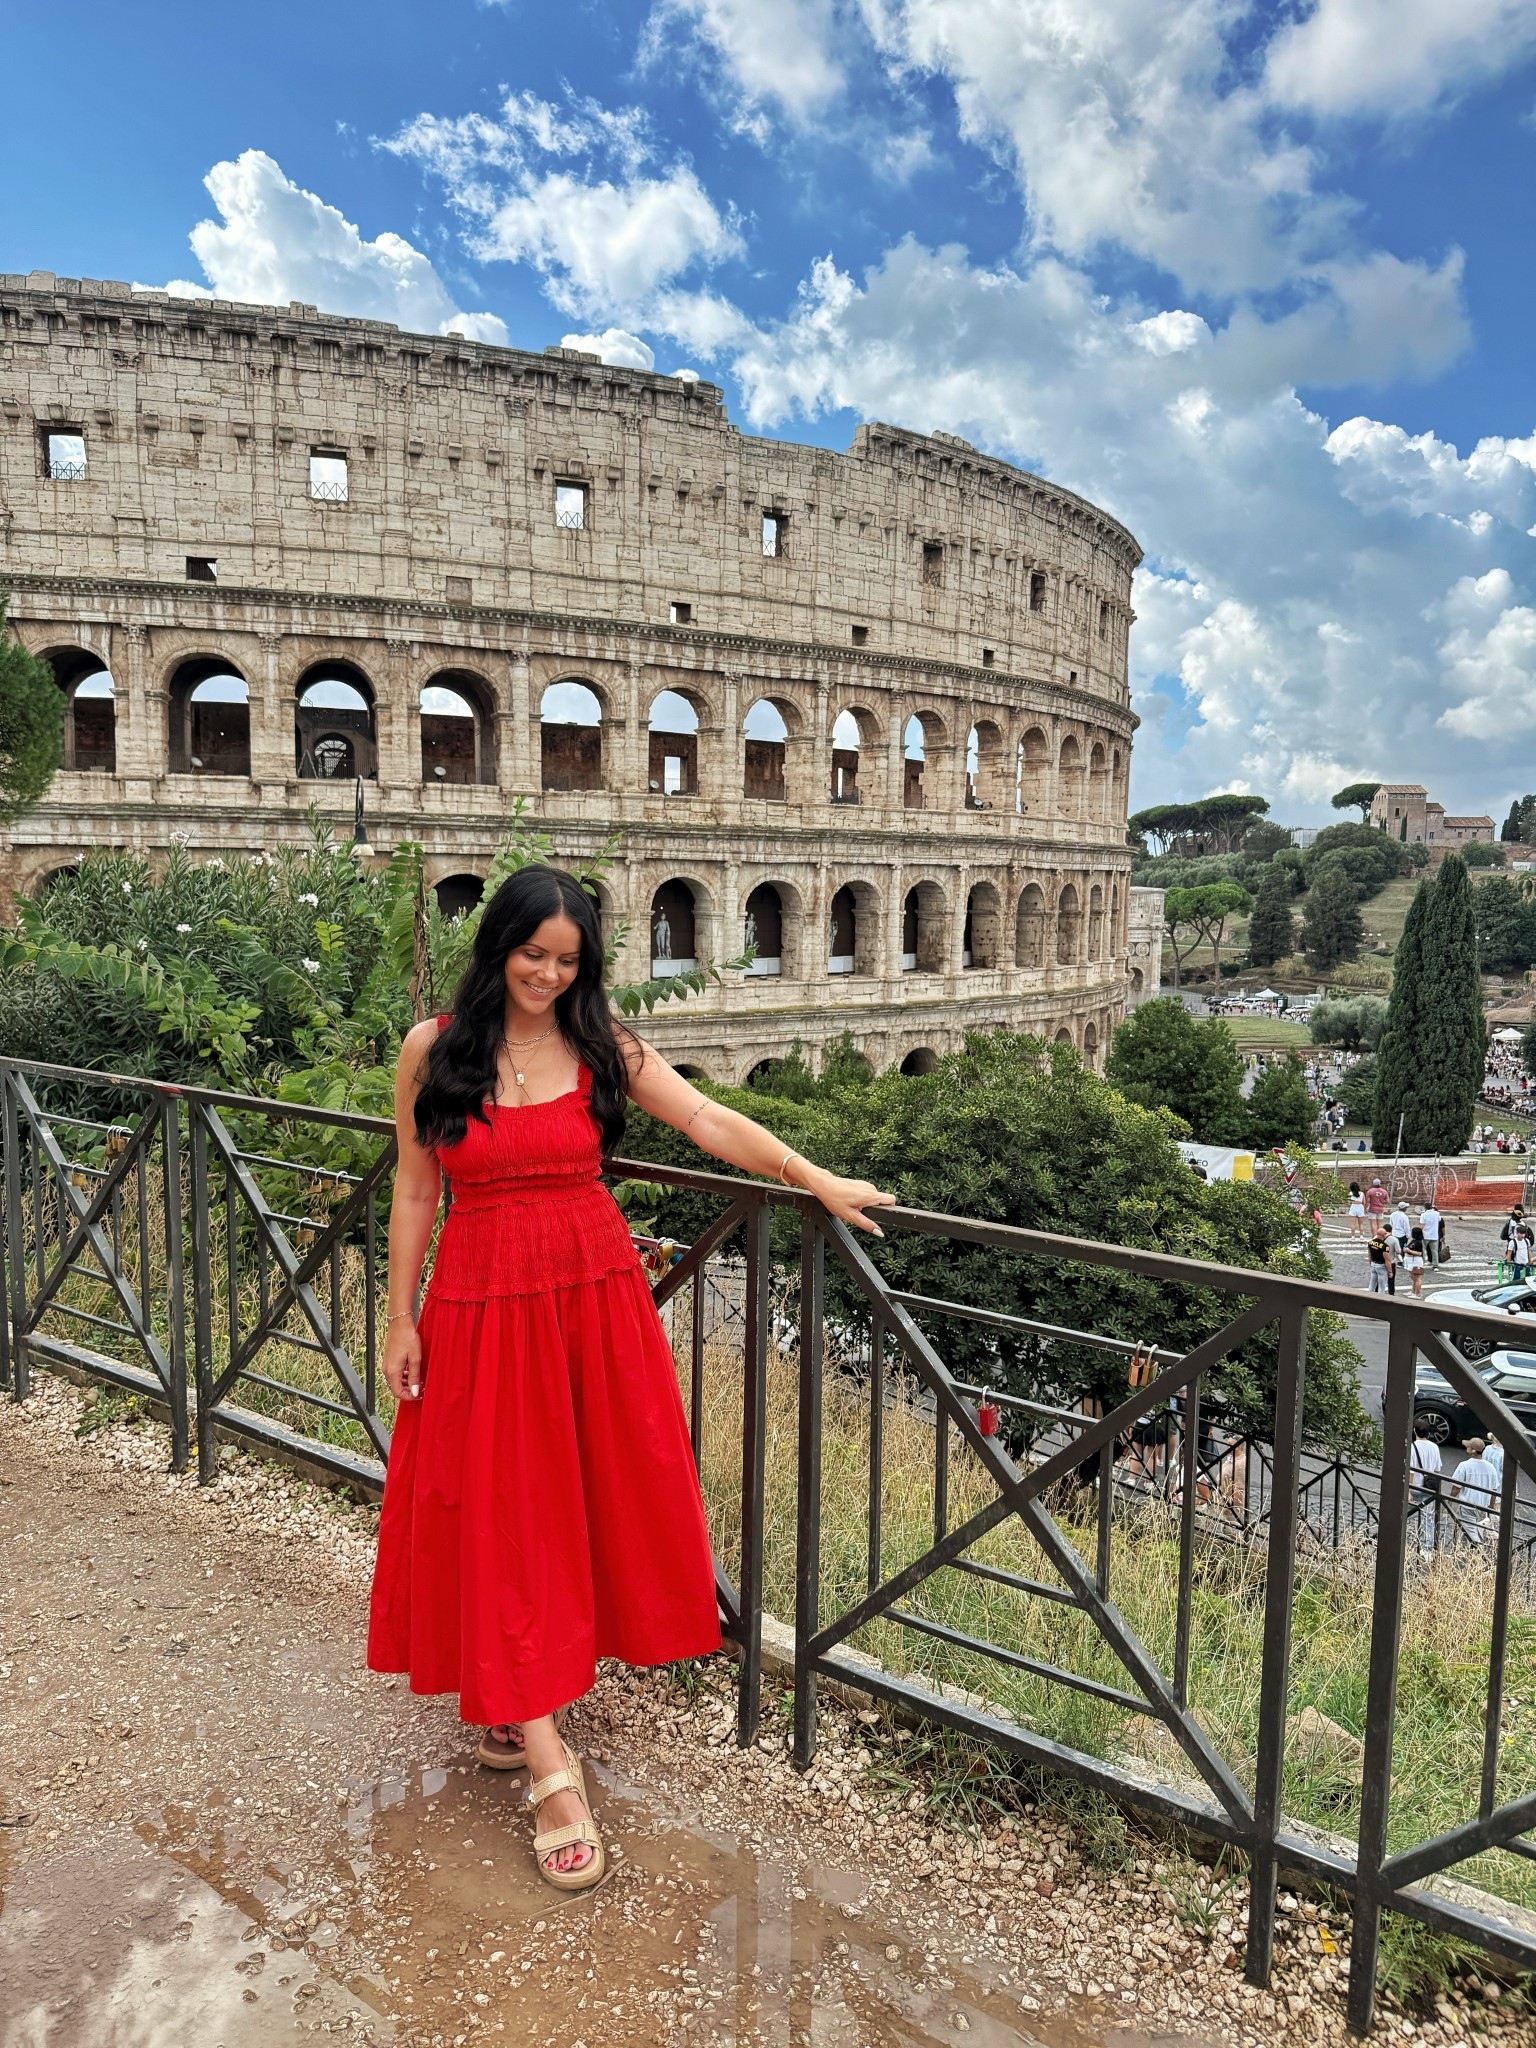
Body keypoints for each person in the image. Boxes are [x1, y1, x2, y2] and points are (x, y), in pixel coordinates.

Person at [367, 865, 894, 1891]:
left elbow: (707, 1120)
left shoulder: (601, 1043)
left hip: (592, 1301)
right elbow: (416, 1185)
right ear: (498, 946)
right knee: (503, 1511)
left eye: (568, 961)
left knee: (576, 1506)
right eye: (533, 954)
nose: (548, 975)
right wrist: (399, 1316)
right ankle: (548, 1762)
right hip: (479, 1304)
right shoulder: (434, 1048)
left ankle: (519, 1698)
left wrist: (813, 1176)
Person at [1453, 1438, 1501, 1546]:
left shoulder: (1464, 1465)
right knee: (1477, 1531)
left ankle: (1475, 1551)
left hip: (1467, 1505)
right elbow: (1494, 1490)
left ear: (1473, 1451)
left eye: (1468, 1446)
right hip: (1482, 1506)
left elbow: (1456, 1488)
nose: (1466, 1447)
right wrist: (1491, 1506)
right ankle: (1472, 1551)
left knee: (1470, 1534)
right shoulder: (1491, 1467)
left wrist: (1450, 1499)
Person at [1410, 1417, 1442, 1556]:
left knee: (1403, 1513)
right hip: (1429, 1488)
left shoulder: (1412, 1448)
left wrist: (1408, 1491)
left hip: (1415, 1487)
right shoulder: (1434, 1447)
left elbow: (1410, 1472)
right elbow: (1437, 1469)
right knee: (1428, 1518)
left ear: (1414, 1431)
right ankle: (1427, 1549)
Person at [1366, 1227, 1394, 1295]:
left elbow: (1369, 1255)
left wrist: (1371, 1264)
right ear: (1383, 1235)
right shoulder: (1385, 1246)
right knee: (1382, 1287)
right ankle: (1380, 1299)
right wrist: (1390, 1271)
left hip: (1373, 1264)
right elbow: (1387, 1260)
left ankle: (1369, 1297)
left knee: (1372, 1284)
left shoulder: (1371, 1242)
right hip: (1381, 1266)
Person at [1402, 1222, 1427, 1297]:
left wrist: (1408, 1250)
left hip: (1416, 1261)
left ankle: (1417, 1294)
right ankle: (1413, 1292)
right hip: (1411, 1260)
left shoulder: (1418, 1243)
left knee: (1417, 1278)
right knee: (1413, 1277)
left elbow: (1419, 1253)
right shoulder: (1414, 1241)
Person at [1420, 1198, 1442, 1268]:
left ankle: (1422, 1262)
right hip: (1434, 1235)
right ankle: (1435, 1264)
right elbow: (1439, 1219)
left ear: (1425, 1208)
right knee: (1434, 1251)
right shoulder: (1437, 1213)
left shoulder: (1423, 1215)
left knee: (1422, 1249)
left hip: (1426, 1235)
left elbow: (1422, 1225)